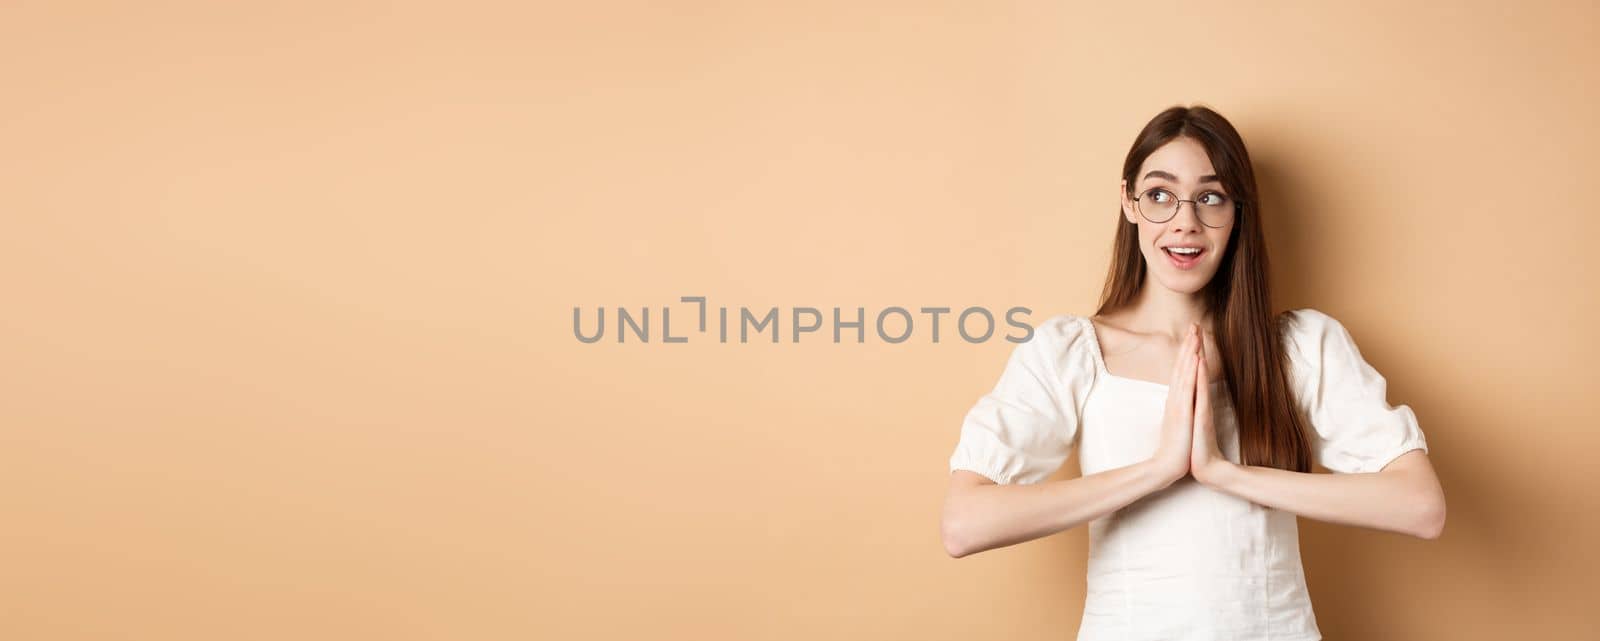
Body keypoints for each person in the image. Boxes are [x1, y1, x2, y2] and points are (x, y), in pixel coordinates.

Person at [940, 104, 1447, 641]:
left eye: (1211, 197)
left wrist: (1225, 473)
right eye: (1160, 195)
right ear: (1128, 203)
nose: (1186, 222)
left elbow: (1420, 508)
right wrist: (1157, 469)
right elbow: (964, 523)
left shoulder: (1300, 348)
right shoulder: (1070, 351)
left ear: (1237, 213)